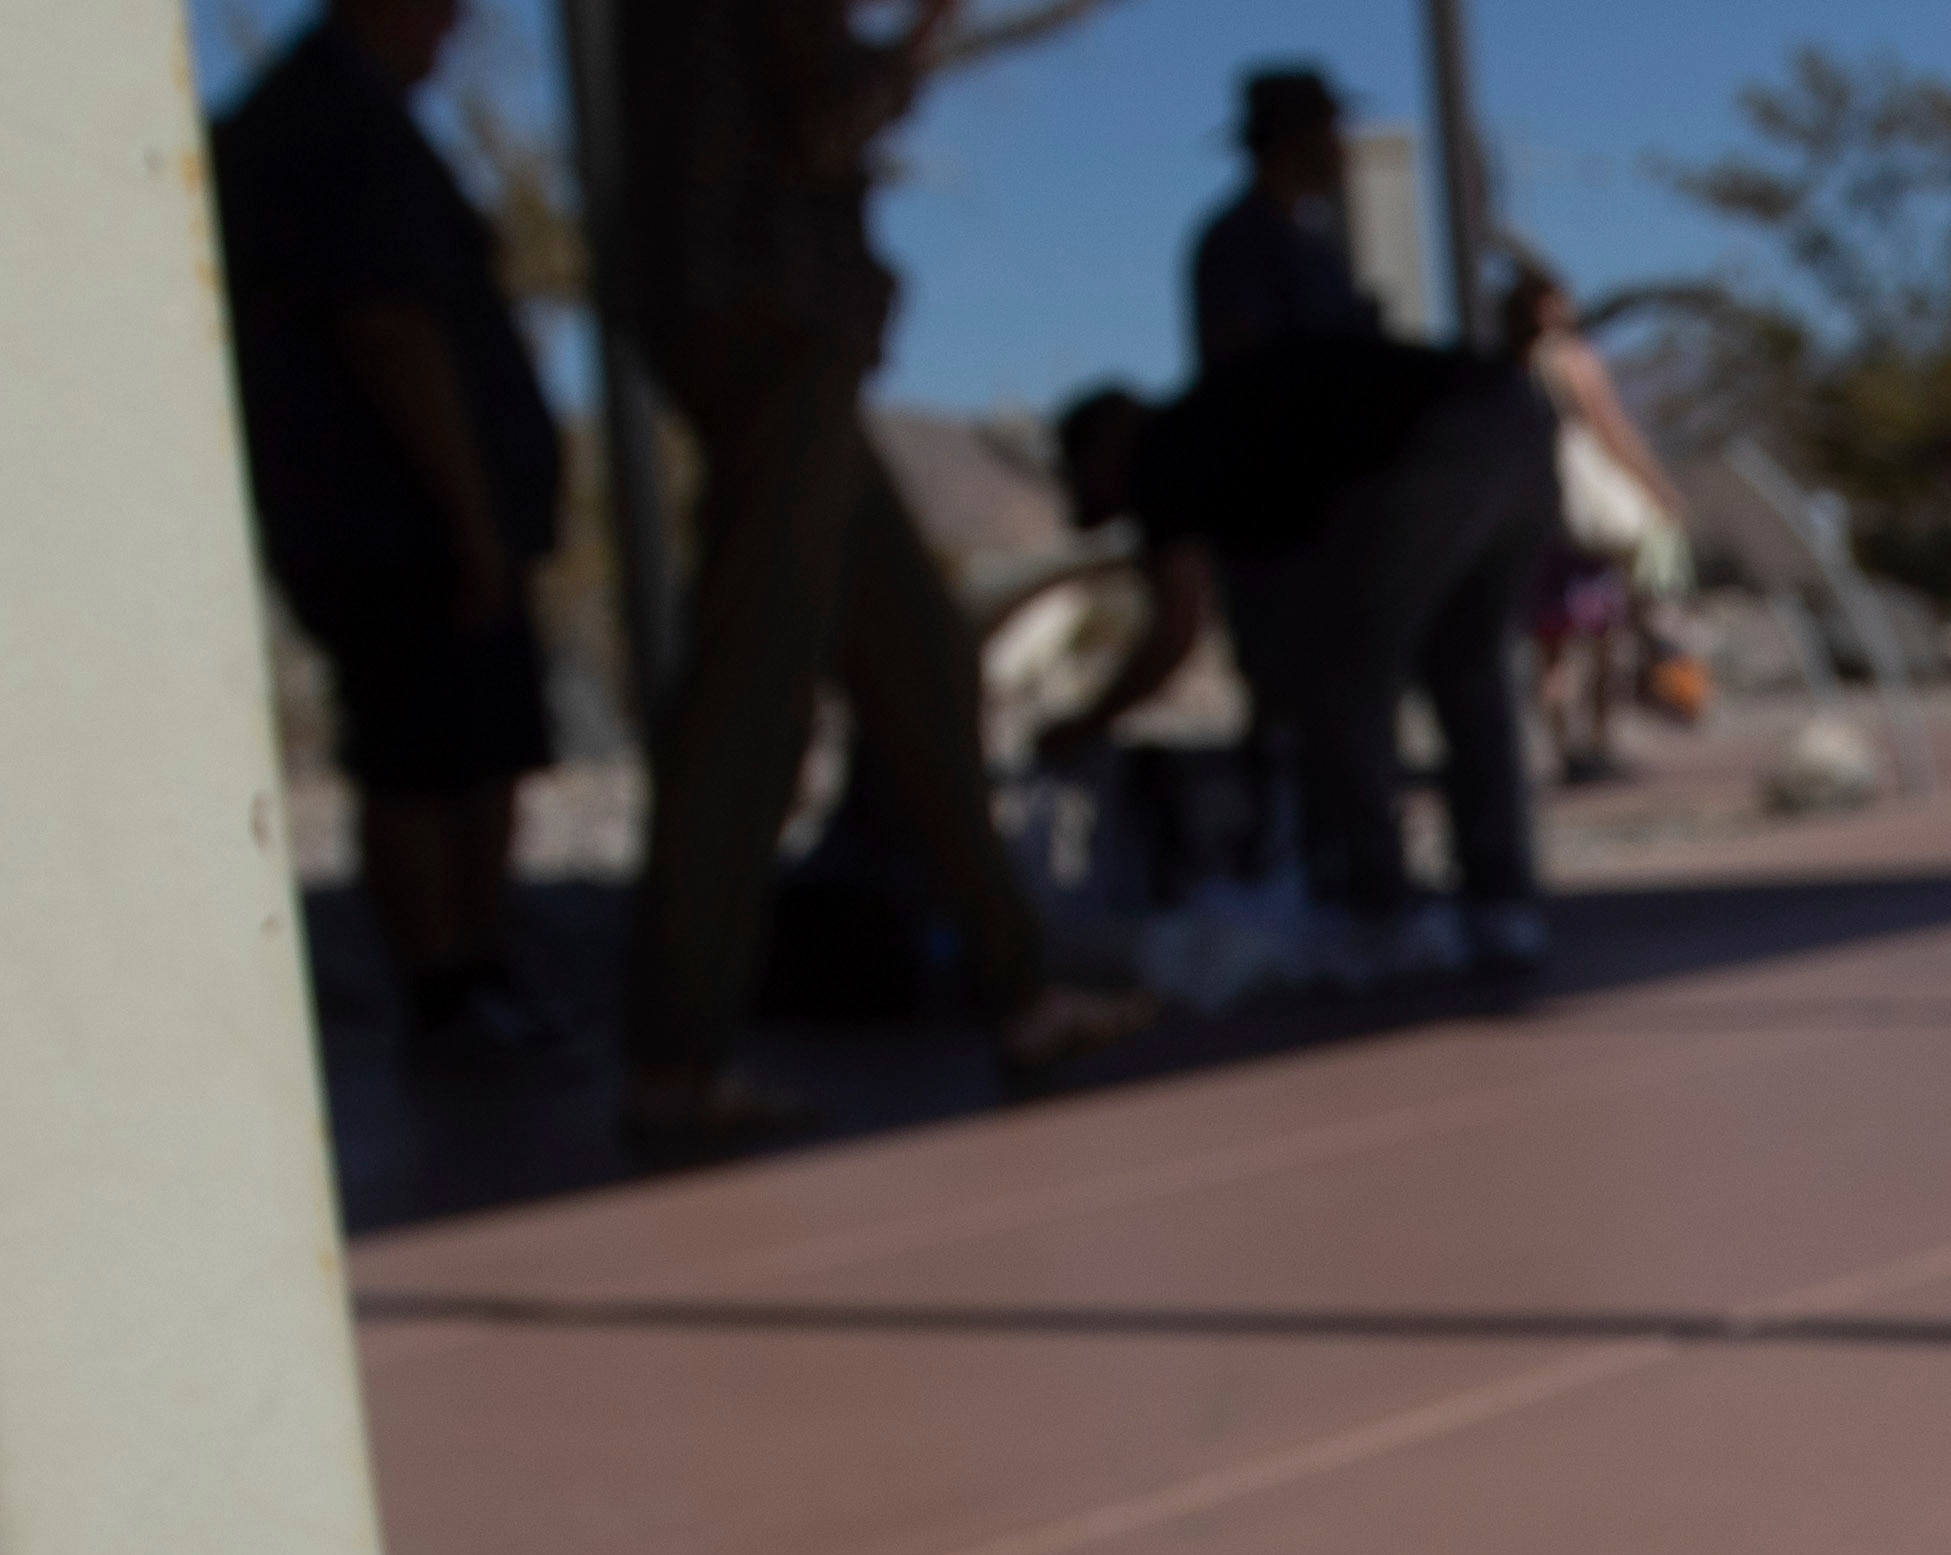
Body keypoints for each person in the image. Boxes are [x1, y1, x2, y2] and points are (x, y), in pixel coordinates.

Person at [610, 0, 1140, 1154]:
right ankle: (677, 1051)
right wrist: (909, 50)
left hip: (758, 318)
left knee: (921, 659)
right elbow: (824, 115)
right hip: (771, 316)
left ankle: (1022, 990)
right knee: (755, 681)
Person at [212, 0, 568, 1065]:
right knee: (423, 755)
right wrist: (470, 519)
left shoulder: (342, 115)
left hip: (392, 520)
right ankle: (452, 988)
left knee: (469, 748)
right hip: (390, 524)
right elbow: (389, 324)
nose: (454, 28)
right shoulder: (332, 120)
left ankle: (476, 977)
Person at [1044, 336, 1561, 973]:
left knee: (1346, 681)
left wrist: (1084, 724)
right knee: (1469, 668)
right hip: (1520, 424)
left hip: (1433, 448)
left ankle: (1375, 907)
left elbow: (1176, 630)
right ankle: (1500, 905)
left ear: (1103, 443)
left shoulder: (1166, 450)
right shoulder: (1233, 420)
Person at [1503, 272, 1693, 787]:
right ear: (1546, 306)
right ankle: (1601, 745)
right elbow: (1609, 427)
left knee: (1553, 645)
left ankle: (1568, 751)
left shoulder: (1509, 364)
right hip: (1586, 516)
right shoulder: (1571, 358)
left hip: (1534, 510)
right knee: (1607, 632)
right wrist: (1657, 486)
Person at [1190, 63, 1381, 375]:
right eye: (1329, 131)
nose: (1340, 149)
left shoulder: (1311, 246)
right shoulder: (1238, 245)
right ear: (1294, 141)